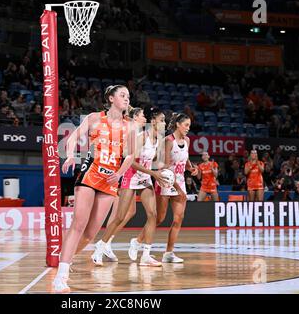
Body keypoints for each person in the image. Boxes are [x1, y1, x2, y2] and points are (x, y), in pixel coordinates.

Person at [52, 85, 134, 293]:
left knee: (90, 234)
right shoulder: (94, 118)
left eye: (128, 96)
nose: (126, 98)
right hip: (90, 173)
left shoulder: (130, 126)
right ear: (111, 98)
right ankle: (61, 275)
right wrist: (70, 155)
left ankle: (66, 260)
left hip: (110, 180)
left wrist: (121, 172)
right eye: (122, 95)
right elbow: (71, 138)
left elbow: (131, 155)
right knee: (78, 225)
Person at [91, 107, 168, 267]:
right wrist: (153, 174)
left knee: (152, 215)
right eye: (161, 120)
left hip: (145, 178)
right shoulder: (140, 137)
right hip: (131, 176)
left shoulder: (159, 139)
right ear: (153, 121)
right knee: (120, 216)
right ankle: (101, 246)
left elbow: (155, 163)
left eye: (165, 120)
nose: (164, 123)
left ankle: (146, 255)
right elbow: (131, 162)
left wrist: (163, 174)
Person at [146, 113, 198, 263]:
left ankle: (169, 253)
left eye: (189, 125)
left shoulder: (187, 140)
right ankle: (139, 243)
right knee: (159, 218)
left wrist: (192, 169)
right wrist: (179, 189)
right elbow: (167, 168)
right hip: (166, 181)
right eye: (186, 125)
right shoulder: (168, 141)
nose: (188, 128)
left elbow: (185, 159)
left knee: (178, 219)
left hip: (180, 181)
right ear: (178, 125)